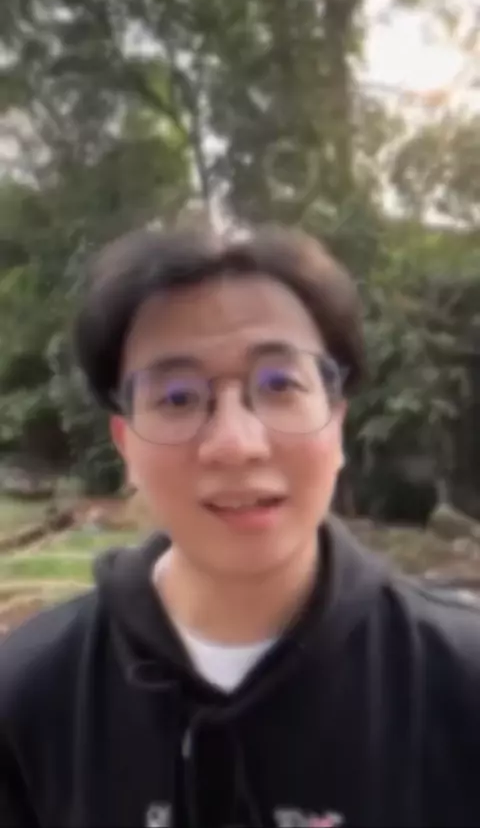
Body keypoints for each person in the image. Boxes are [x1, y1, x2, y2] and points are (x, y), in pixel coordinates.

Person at [1, 224, 479, 828]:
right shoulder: (27, 697)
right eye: (178, 397)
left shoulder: (462, 681)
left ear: (335, 423)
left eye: (279, 385)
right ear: (126, 444)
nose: (236, 443)